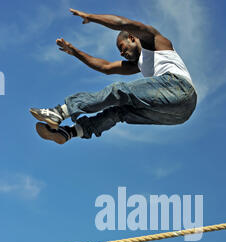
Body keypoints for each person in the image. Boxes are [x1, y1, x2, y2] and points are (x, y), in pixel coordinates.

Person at [31, 9, 197, 146]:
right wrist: (75, 52)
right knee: (119, 111)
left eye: (122, 47)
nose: (121, 53)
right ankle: (71, 132)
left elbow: (124, 24)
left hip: (179, 88)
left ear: (132, 38)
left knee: (119, 90)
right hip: (178, 115)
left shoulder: (153, 42)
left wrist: (92, 18)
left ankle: (60, 112)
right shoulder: (138, 64)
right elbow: (106, 67)